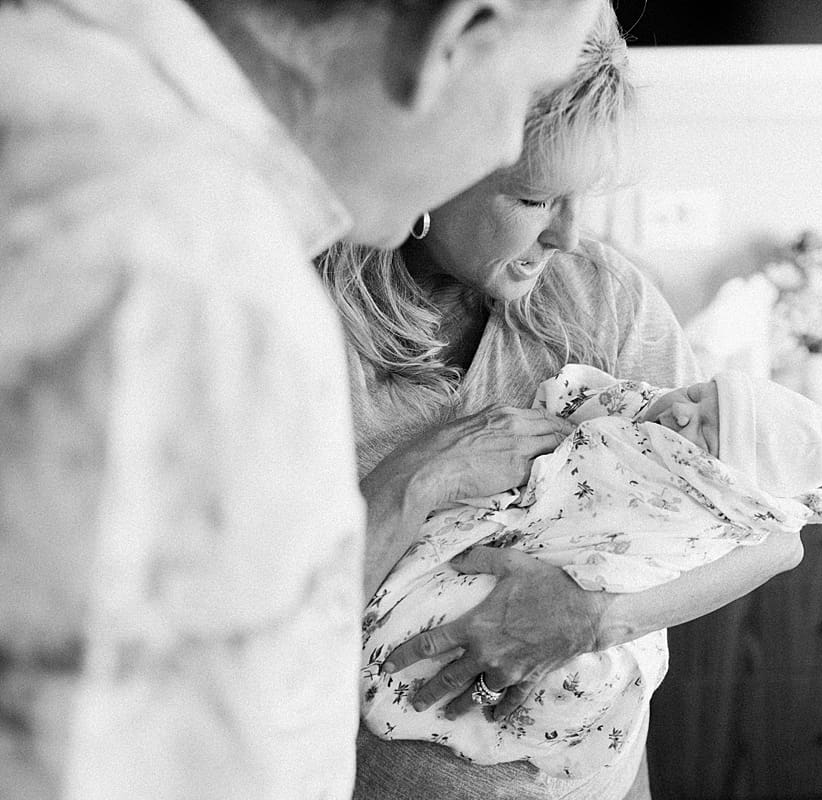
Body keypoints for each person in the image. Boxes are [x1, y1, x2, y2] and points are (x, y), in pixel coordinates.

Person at [0, 0, 604, 796]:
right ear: (455, 36)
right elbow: (102, 756)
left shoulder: (57, 89)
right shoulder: (190, 269)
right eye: (531, 85)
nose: (501, 146)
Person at [318, 12, 822, 798]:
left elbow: (775, 538)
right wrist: (415, 481)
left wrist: (597, 618)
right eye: (534, 198)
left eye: (582, 198)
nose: (569, 235)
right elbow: (263, 633)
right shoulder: (305, 327)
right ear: (440, 162)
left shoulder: (605, 296)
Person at [359, 364, 822, 780]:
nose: (683, 412)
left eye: (708, 433)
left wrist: (593, 617)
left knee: (592, 678)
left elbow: (778, 544)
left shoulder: (620, 303)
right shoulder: (641, 405)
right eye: (698, 396)